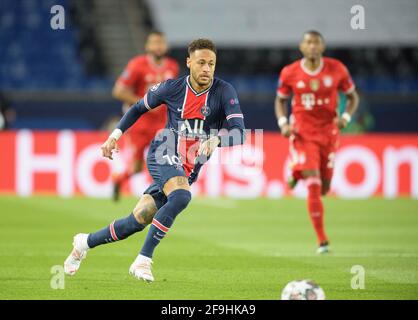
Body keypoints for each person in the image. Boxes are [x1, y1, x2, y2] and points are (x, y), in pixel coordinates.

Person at [64, 38, 246, 281]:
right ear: (189, 62)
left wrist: (218, 140)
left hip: (189, 166)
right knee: (181, 196)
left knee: (137, 220)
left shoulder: (224, 91)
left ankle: (84, 243)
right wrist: (114, 136)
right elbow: (138, 107)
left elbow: (239, 132)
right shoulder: (171, 88)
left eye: (211, 64)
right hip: (164, 149)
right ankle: (143, 261)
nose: (206, 69)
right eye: (201, 62)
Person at [275, 30, 359, 253]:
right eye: (308, 42)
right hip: (303, 132)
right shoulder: (290, 72)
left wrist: (345, 118)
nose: (312, 46)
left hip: (328, 132)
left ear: (322, 47)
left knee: (325, 188)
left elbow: (353, 97)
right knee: (313, 182)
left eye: (316, 43)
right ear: (302, 47)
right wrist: (284, 123)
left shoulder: (337, 69)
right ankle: (322, 240)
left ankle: (295, 172)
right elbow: (280, 100)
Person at [111, 31, 179, 201]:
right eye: (154, 43)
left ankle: (159, 196)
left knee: (164, 161)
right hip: (139, 124)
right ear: (147, 46)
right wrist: (144, 103)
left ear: (166, 46)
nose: (158, 46)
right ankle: (118, 179)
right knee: (137, 168)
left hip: (162, 124)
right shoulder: (137, 65)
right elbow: (118, 91)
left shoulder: (172, 67)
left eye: (161, 43)